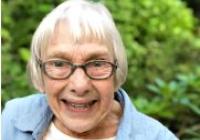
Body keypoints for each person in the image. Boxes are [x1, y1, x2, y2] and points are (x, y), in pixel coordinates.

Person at [2, 0, 179, 140]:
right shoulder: (13, 118)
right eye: (59, 64)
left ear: (117, 70)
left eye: (96, 64)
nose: (79, 86)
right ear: (39, 71)